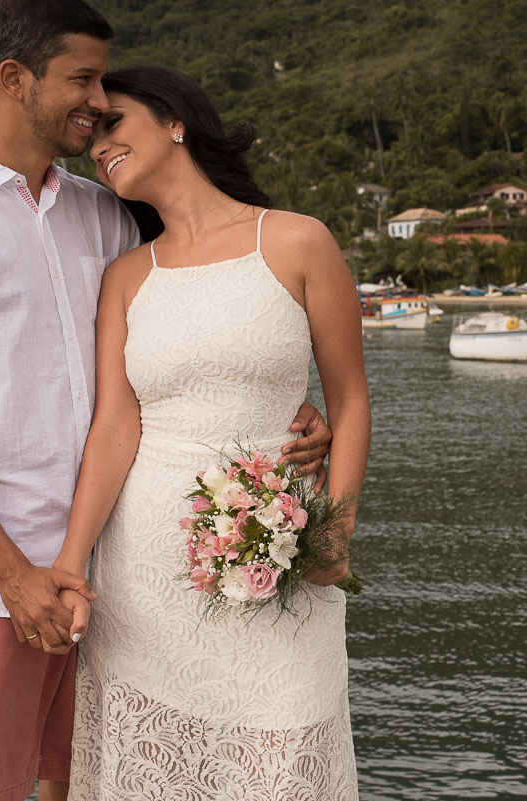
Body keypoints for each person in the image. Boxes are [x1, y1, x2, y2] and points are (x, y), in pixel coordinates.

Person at [0, 3, 332, 800]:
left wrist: (287, 408)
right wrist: (16, 575)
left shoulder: (105, 215)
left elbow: (189, 331)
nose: (94, 99)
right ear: (15, 80)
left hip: (114, 572)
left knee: (87, 780)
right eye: (81, 78)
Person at [50, 64, 369, 798]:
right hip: (145, 579)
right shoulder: (127, 275)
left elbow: (349, 401)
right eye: (91, 138)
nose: (99, 146)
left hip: (285, 563)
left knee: (282, 761)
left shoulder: (296, 242)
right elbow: (113, 427)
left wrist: (334, 533)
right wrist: (72, 563)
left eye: (115, 124)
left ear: (175, 122)